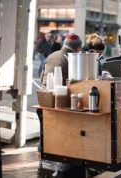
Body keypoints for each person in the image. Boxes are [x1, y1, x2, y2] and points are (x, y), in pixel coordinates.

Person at [37, 33, 82, 176]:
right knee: (63, 135)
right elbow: (78, 83)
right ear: (78, 47)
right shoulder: (73, 59)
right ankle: (64, 167)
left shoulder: (51, 55)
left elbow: (41, 77)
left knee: (44, 134)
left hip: (44, 101)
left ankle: (43, 167)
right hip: (61, 103)